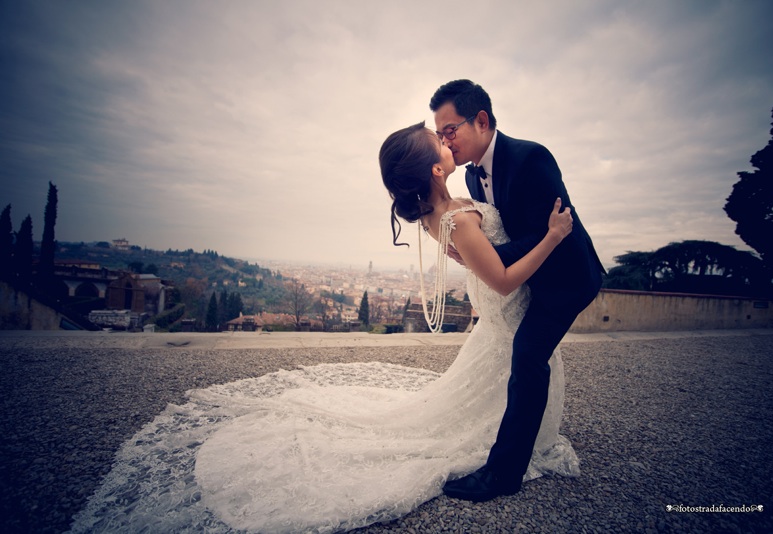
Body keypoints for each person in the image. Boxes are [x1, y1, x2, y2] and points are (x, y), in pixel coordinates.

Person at [68, 122, 582, 534]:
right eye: (438, 139)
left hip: (493, 322)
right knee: (514, 373)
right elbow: (505, 279)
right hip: (505, 310)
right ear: (433, 167)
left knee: (511, 375)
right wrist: (554, 236)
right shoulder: (457, 219)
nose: (447, 141)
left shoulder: (435, 214)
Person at [429, 79, 604, 502]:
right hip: (526, 277)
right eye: (439, 135)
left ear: (482, 120)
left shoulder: (531, 158)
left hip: (565, 277)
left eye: (449, 130)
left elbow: (554, 231)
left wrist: (489, 257)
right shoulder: (471, 177)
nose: (444, 141)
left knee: (527, 357)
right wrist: (481, 256)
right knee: (514, 353)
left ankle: (503, 473)